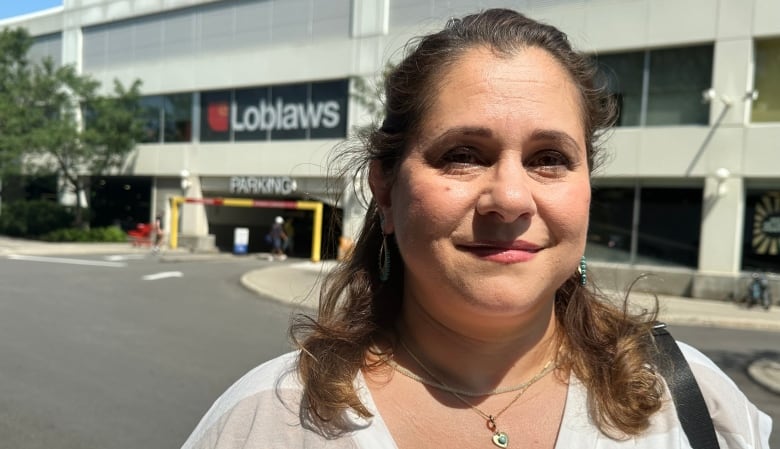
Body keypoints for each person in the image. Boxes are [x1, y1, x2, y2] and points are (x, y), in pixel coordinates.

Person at [181, 9, 771, 448]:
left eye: (549, 159)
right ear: (385, 189)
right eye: (463, 154)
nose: (510, 199)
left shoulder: (689, 399)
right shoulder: (270, 421)